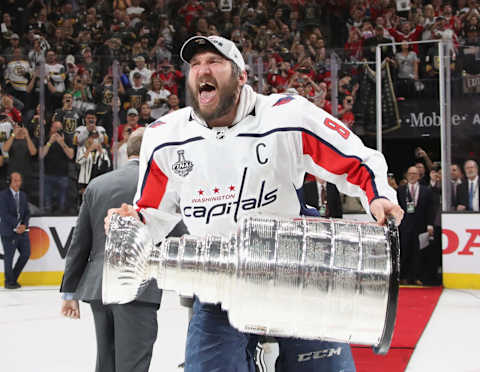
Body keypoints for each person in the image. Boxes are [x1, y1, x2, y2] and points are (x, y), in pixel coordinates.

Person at [105, 35, 403, 372]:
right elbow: (151, 213)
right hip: (216, 274)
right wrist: (134, 223)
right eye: (196, 64)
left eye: (214, 62)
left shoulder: (286, 116)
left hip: (297, 266)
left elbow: (356, 159)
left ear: (241, 76)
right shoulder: (164, 137)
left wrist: (378, 195)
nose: (203, 69)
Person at [61, 128, 186, 372]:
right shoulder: (159, 186)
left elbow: (80, 242)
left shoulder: (97, 184)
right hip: (137, 287)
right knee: (132, 364)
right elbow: (179, 234)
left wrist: (69, 292)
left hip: (98, 288)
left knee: (106, 363)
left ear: (127, 151)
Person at [397, 166, 434, 285]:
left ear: (419, 176)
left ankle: (417, 276)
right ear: (406, 175)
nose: (412, 176)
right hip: (405, 226)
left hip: (420, 226)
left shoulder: (426, 190)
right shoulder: (401, 190)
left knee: (418, 253)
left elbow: (430, 209)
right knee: (404, 251)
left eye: (415, 174)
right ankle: (403, 276)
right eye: (410, 173)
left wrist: (430, 225)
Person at [0, 172, 31, 289]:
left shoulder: (23, 195)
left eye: (19, 180)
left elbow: (27, 212)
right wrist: (17, 224)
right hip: (8, 231)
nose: (18, 183)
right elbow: (4, 213)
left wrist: (24, 224)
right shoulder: (3, 195)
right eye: (15, 181)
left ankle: (13, 278)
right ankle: (9, 282)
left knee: (26, 254)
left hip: (22, 231)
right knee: (9, 257)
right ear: (10, 182)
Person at [39, 120, 74, 214]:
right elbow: (41, 155)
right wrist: (50, 142)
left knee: (62, 204)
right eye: (55, 128)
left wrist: (62, 143)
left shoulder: (66, 139)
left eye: (59, 129)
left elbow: (71, 155)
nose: (57, 131)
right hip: (48, 175)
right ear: (51, 128)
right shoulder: (45, 138)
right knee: (47, 204)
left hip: (62, 175)